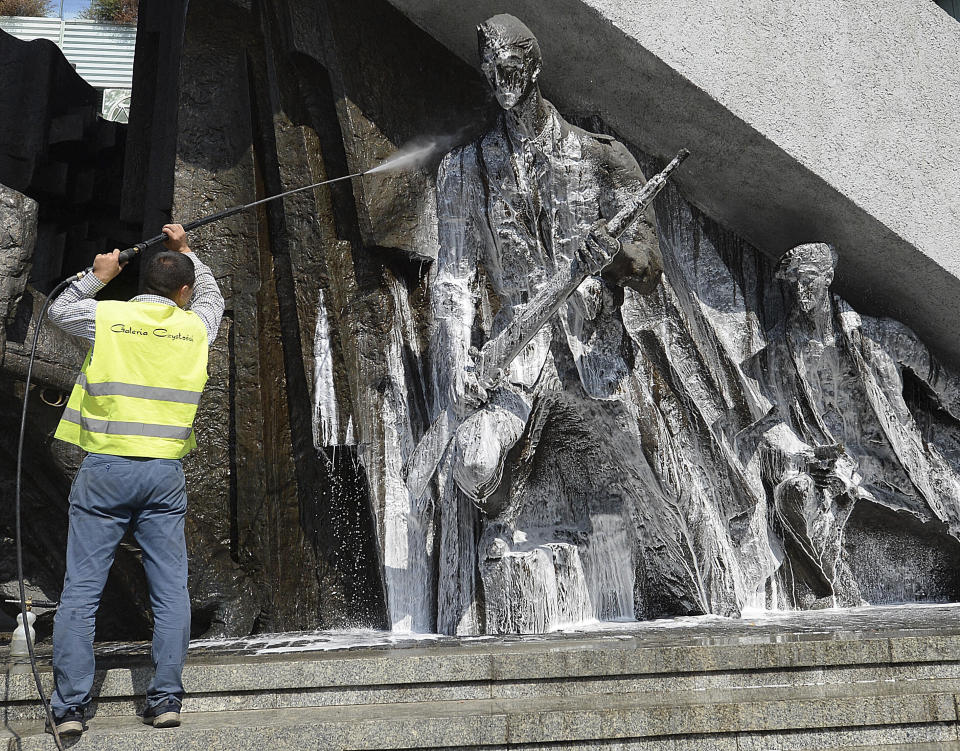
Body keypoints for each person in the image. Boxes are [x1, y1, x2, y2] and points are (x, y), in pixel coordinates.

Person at [430, 14, 662, 632]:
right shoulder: (465, 170)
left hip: (595, 354)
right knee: (474, 461)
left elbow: (649, 267)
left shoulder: (599, 157)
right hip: (517, 355)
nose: (500, 83)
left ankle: (625, 614)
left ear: (533, 68)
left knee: (614, 496)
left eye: (509, 69)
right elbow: (451, 281)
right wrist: (457, 367)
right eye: (490, 72)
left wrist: (609, 259)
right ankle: (507, 539)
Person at [44, 224, 224, 736]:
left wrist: (96, 275)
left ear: (140, 283)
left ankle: (72, 709)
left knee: (81, 591)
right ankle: (165, 700)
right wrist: (188, 251)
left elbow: (59, 310)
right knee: (170, 593)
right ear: (183, 292)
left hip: (105, 470)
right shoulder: (196, 327)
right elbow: (212, 296)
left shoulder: (110, 317)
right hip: (163, 474)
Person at [741, 242, 960, 605]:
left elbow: (945, 388)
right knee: (800, 499)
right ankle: (835, 602)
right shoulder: (780, 353)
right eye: (793, 281)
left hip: (905, 465)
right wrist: (800, 454)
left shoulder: (880, 336)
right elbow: (771, 415)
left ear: (828, 278)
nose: (800, 290)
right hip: (841, 469)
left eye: (808, 279)